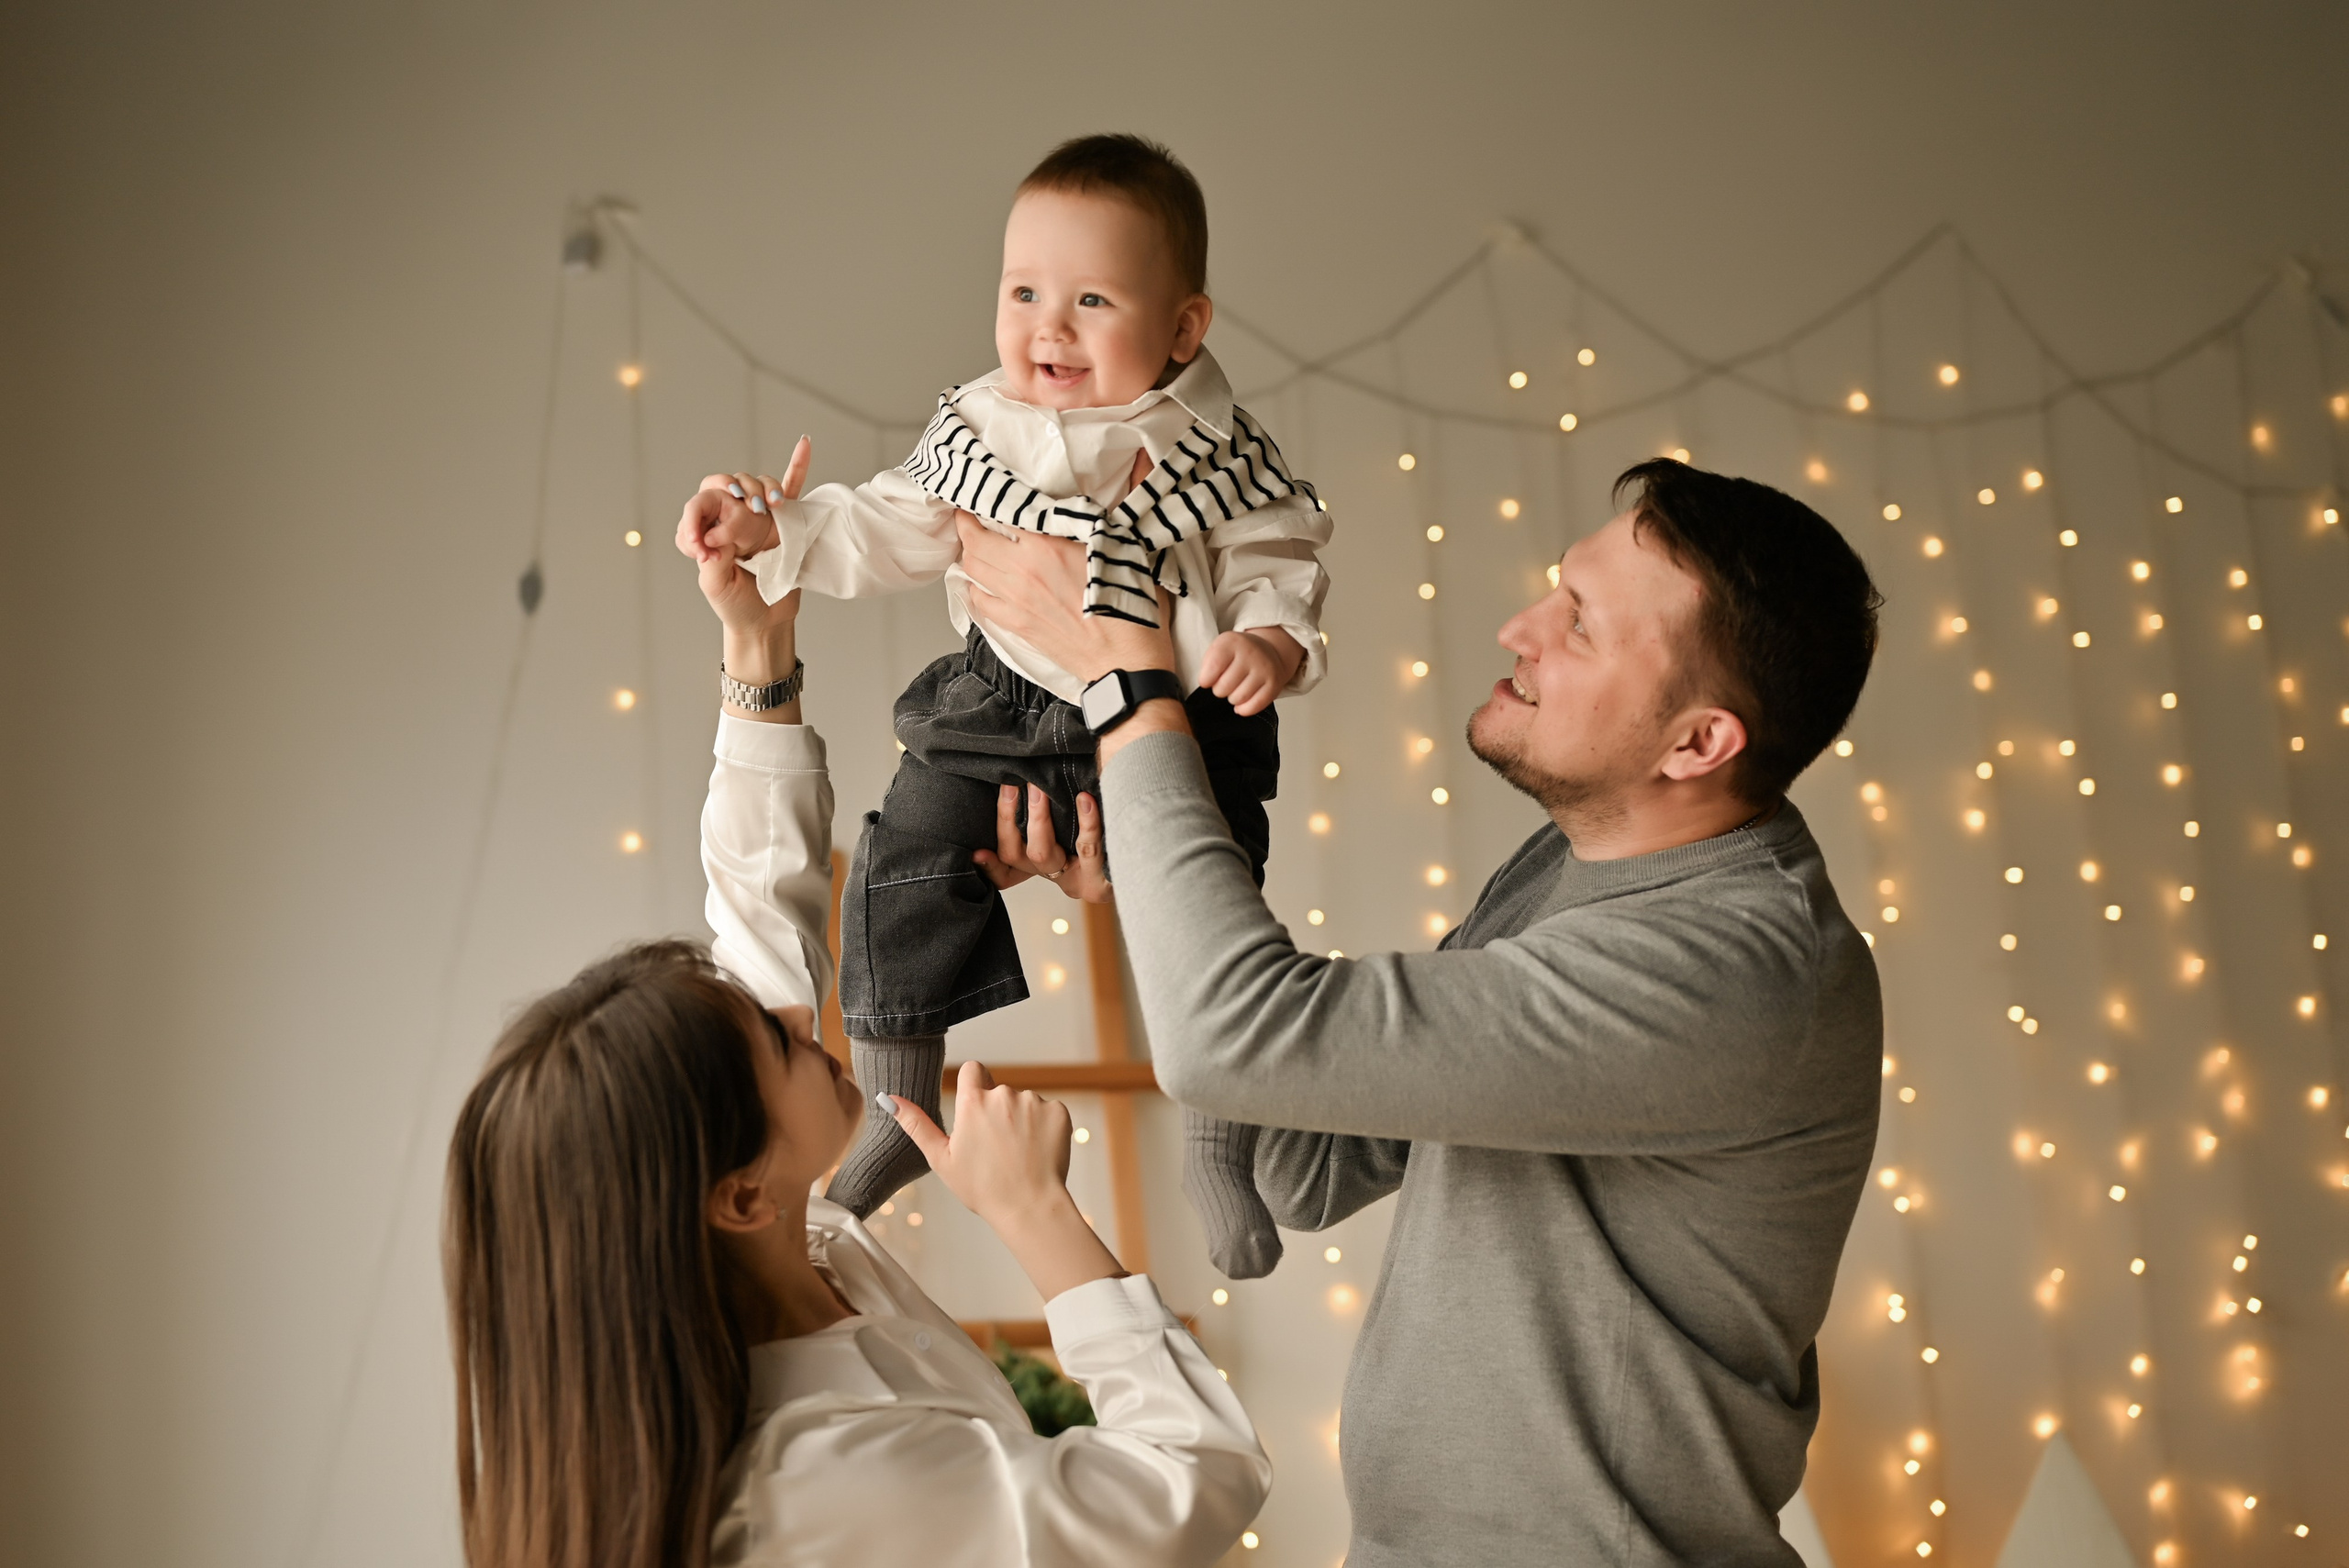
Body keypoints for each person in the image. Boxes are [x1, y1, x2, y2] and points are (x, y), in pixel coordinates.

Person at [952, 459, 1887, 1566]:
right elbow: (1298, 1160)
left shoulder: (1735, 966)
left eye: (1579, 625)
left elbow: (1233, 1038)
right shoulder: (1576, 862)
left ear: (1697, 742)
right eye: (1558, 590)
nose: (1521, 627)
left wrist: (1127, 687)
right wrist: (1151, 887)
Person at [441, 442, 1269, 1568]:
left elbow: (759, 911)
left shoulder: (808, 1246)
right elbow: (1197, 1481)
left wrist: (758, 643)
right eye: (776, 1044)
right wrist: (1035, 1214)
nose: (800, 1016)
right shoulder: (821, 1480)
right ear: (738, 1192)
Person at [675, 133, 1329, 1280]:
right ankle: (898, 1099)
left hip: (1173, 715)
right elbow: (886, 522)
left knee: (1213, 910)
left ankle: (1223, 1135)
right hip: (1004, 706)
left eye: (1091, 299)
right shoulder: (980, 430)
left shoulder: (1224, 453)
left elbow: (1277, 554)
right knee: (901, 860)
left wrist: (1271, 636)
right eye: (1023, 292)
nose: (1049, 327)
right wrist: (781, 529)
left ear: (1183, 329)